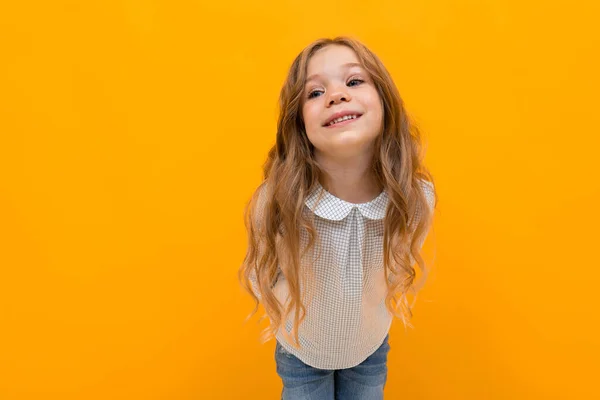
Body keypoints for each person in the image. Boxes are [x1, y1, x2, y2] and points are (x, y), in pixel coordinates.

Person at [238, 36, 437, 400]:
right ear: (299, 125)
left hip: (369, 346)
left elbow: (400, 263)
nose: (335, 95)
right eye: (314, 93)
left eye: (354, 81)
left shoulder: (415, 197)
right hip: (303, 351)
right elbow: (260, 270)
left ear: (385, 102)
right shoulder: (278, 201)